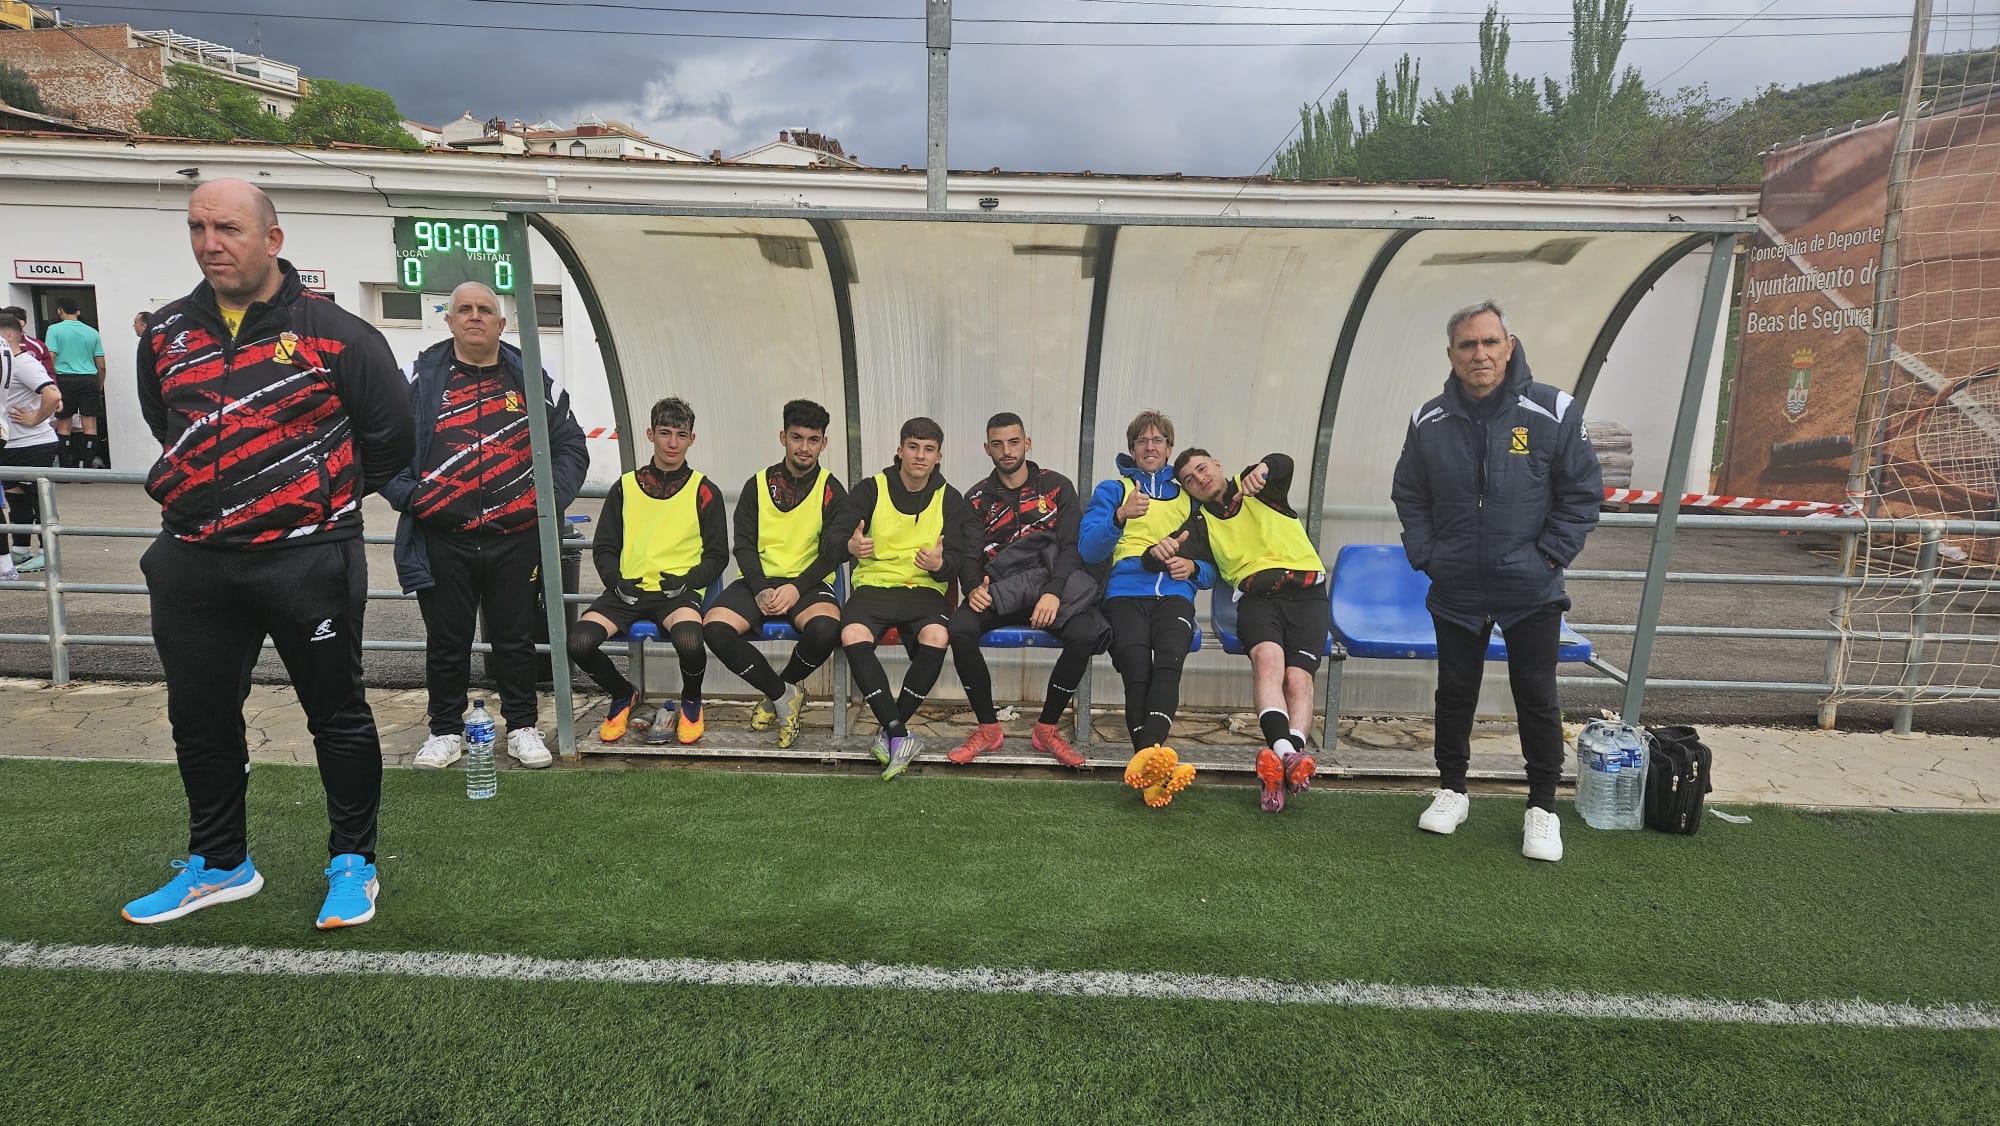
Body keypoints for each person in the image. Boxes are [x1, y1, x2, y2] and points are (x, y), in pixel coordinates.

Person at [124, 178, 414, 928]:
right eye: (197, 228)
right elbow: (169, 426)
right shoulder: (164, 333)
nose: (210, 243)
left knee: (337, 715)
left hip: (307, 559)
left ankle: (354, 863)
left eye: (227, 228)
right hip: (193, 561)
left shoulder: (340, 334)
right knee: (199, 715)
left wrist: (309, 503)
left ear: (272, 240)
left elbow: (389, 443)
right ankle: (221, 863)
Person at [1391, 300, 1603, 863]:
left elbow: (1582, 495)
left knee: (1536, 696)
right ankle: (1452, 791)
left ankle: (1541, 809)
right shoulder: (1428, 420)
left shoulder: (1554, 409)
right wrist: (1429, 555)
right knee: (1454, 692)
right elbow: (1409, 495)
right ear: (1452, 355)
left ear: (1508, 346)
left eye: (1489, 342)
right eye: (1467, 345)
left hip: (1530, 587)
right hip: (1456, 585)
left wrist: (1546, 558)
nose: (1479, 354)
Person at [383, 281, 589, 772]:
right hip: (441, 538)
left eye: (485, 310)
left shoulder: (534, 377)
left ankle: (521, 727)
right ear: (449, 321)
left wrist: (541, 504)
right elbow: (382, 448)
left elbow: (571, 447)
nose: (475, 317)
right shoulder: (417, 379)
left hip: (514, 539)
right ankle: (444, 732)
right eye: (464, 310)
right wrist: (415, 498)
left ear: (502, 324)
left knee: (516, 639)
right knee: (446, 641)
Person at [945, 412, 1108, 768]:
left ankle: (1046, 729)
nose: (1007, 451)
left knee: (1084, 634)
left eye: (1014, 442)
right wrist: (972, 586)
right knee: (959, 630)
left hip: (1050, 586)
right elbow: (968, 553)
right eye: (998, 444)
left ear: (1027, 443)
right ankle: (988, 729)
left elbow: (1071, 546)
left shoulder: (1056, 486)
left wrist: (1053, 591)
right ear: (987, 448)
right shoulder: (977, 497)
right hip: (1000, 590)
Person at [1170, 448, 1327, 813]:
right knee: (1269, 661)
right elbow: (1166, 552)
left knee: (1299, 679)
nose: (1200, 478)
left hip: (1308, 594)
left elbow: (1285, 462)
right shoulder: (1200, 524)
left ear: (1218, 465)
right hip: (1258, 598)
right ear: (1189, 491)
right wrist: (1166, 552)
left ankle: (1281, 762)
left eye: (1203, 468)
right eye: (1190, 480)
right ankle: (1290, 759)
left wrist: (1264, 468)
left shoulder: (1259, 487)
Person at [566, 396, 726, 744]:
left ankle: (691, 701)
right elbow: (605, 547)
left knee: (690, 640)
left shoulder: (704, 491)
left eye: (681, 435)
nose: (672, 443)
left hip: (677, 594)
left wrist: (687, 582)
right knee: (578, 643)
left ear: (691, 439)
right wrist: (615, 581)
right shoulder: (624, 487)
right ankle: (624, 694)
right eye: (665, 433)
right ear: (650, 434)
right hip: (626, 592)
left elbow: (718, 556)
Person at [821, 416, 971, 780]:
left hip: (924, 591)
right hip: (873, 587)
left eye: (929, 449)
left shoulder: (950, 498)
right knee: (851, 634)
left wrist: (940, 564)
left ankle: (890, 730)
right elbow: (832, 540)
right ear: (899, 450)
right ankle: (900, 734)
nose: (920, 456)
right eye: (913, 447)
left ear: (939, 456)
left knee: (936, 636)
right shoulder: (870, 490)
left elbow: (958, 560)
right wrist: (850, 545)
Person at [1078, 410, 1214, 806]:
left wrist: (1193, 568)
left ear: (1170, 449)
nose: (1150, 447)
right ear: (1132, 448)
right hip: (1123, 593)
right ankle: (1158, 768)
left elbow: (1212, 565)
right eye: (1142, 441)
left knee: (1169, 662)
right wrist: (1120, 517)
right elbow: (1089, 551)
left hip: (1175, 595)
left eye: (1158, 441)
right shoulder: (1113, 490)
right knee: (1137, 670)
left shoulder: (1191, 497)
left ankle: (1147, 763)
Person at [701, 398, 847, 750]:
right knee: (714, 629)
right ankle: (783, 694)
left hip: (808, 583)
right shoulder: (757, 484)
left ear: (824, 443)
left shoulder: (831, 489)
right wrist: (761, 588)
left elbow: (833, 554)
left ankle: (776, 694)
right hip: (759, 581)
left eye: (813, 440)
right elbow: (745, 545)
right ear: (783, 437)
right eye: (797, 438)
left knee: (826, 629)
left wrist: (796, 588)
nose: (805, 447)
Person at [0, 314, 62, 572]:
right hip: (11, 445)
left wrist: (35, 418)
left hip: (34, 444)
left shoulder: (24, 363)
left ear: (10, 335)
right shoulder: (6, 366)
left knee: (39, 500)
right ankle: (21, 550)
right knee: (17, 500)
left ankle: (48, 554)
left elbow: (53, 394)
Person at [43, 296, 106, 469]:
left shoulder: (54, 330)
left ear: (59, 310)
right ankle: (87, 469)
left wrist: (50, 384)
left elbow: (51, 358)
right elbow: (101, 366)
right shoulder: (92, 332)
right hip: (89, 379)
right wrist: (98, 386)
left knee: (64, 424)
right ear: (78, 312)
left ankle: (65, 469)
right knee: (90, 425)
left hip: (65, 379)